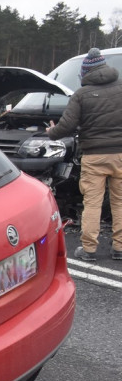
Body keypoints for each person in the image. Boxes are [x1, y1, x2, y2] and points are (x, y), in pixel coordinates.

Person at [47, 47, 122, 261]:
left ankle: (89, 250)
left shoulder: (82, 94)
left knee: (93, 203)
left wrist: (51, 132)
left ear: (86, 72)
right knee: (120, 202)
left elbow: (66, 126)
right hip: (120, 155)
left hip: (95, 156)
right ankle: (119, 248)